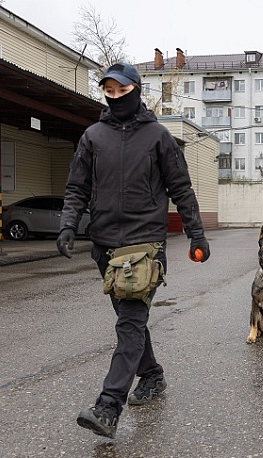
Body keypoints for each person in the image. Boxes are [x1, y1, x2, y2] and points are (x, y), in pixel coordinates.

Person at [56, 62, 210, 439]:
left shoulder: (158, 136)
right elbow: (77, 187)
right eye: (108, 90)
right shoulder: (93, 136)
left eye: (121, 90)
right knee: (132, 322)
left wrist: (196, 235)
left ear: (136, 90)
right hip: (105, 245)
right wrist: (68, 224)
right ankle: (153, 375)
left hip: (144, 245)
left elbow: (181, 188)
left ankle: (108, 407)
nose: (115, 96)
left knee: (128, 325)